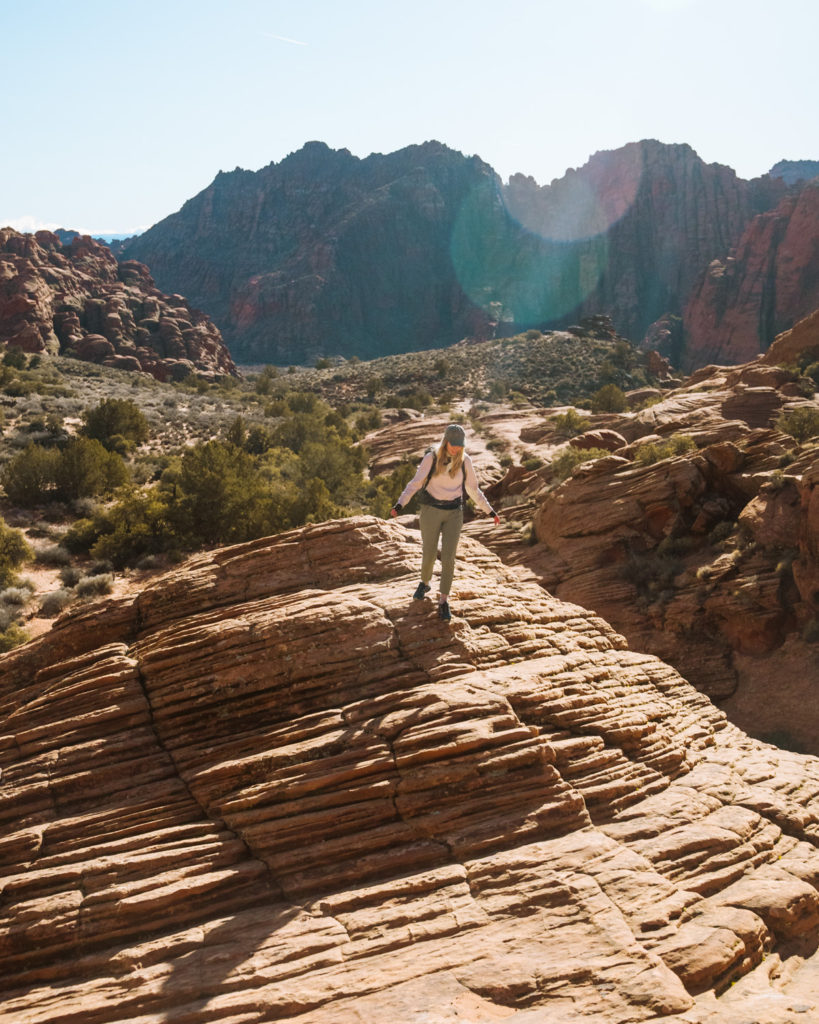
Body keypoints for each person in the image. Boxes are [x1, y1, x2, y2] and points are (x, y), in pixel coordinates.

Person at [390, 423, 500, 621]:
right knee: (429, 553)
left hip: (453, 513)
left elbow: (474, 490)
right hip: (431, 510)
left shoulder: (465, 461)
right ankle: (424, 582)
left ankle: (443, 600)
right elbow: (415, 483)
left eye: (459, 445)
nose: (456, 448)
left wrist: (490, 511)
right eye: (453, 444)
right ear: (445, 441)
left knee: (449, 558)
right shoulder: (431, 458)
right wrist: (400, 504)